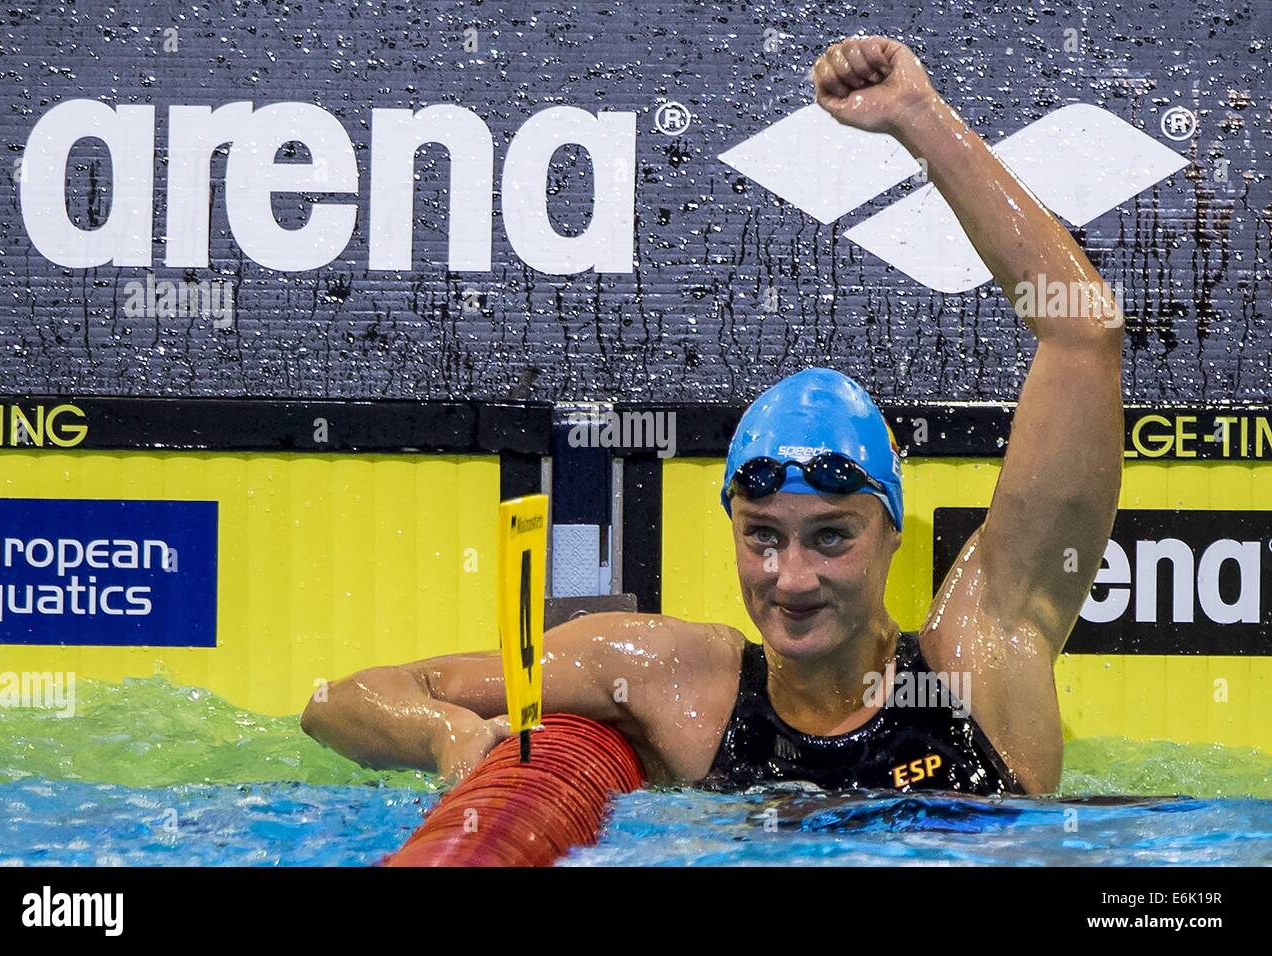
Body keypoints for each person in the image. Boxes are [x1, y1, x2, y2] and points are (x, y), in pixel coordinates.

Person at [300, 35, 1124, 796]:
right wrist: (445, 734)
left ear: (890, 532)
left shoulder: (982, 658)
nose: (789, 578)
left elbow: (1083, 330)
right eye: (762, 534)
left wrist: (918, 118)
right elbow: (337, 703)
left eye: (830, 536)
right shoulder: (675, 682)